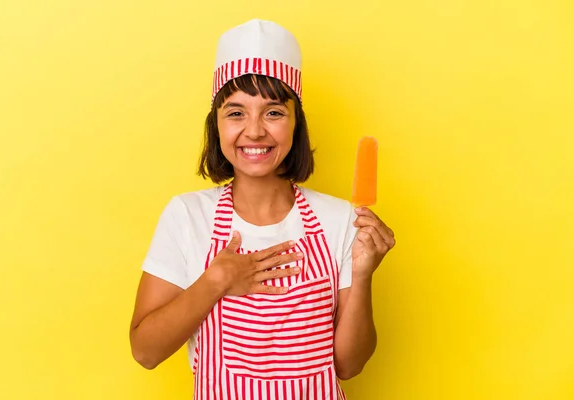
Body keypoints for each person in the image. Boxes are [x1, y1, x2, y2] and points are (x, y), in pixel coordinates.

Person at [129, 19, 395, 399]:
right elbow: (145, 351)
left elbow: (348, 366)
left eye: (273, 112)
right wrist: (215, 281)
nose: (254, 131)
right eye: (236, 113)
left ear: (295, 124)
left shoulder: (339, 220)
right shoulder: (187, 216)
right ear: (216, 125)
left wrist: (363, 272)